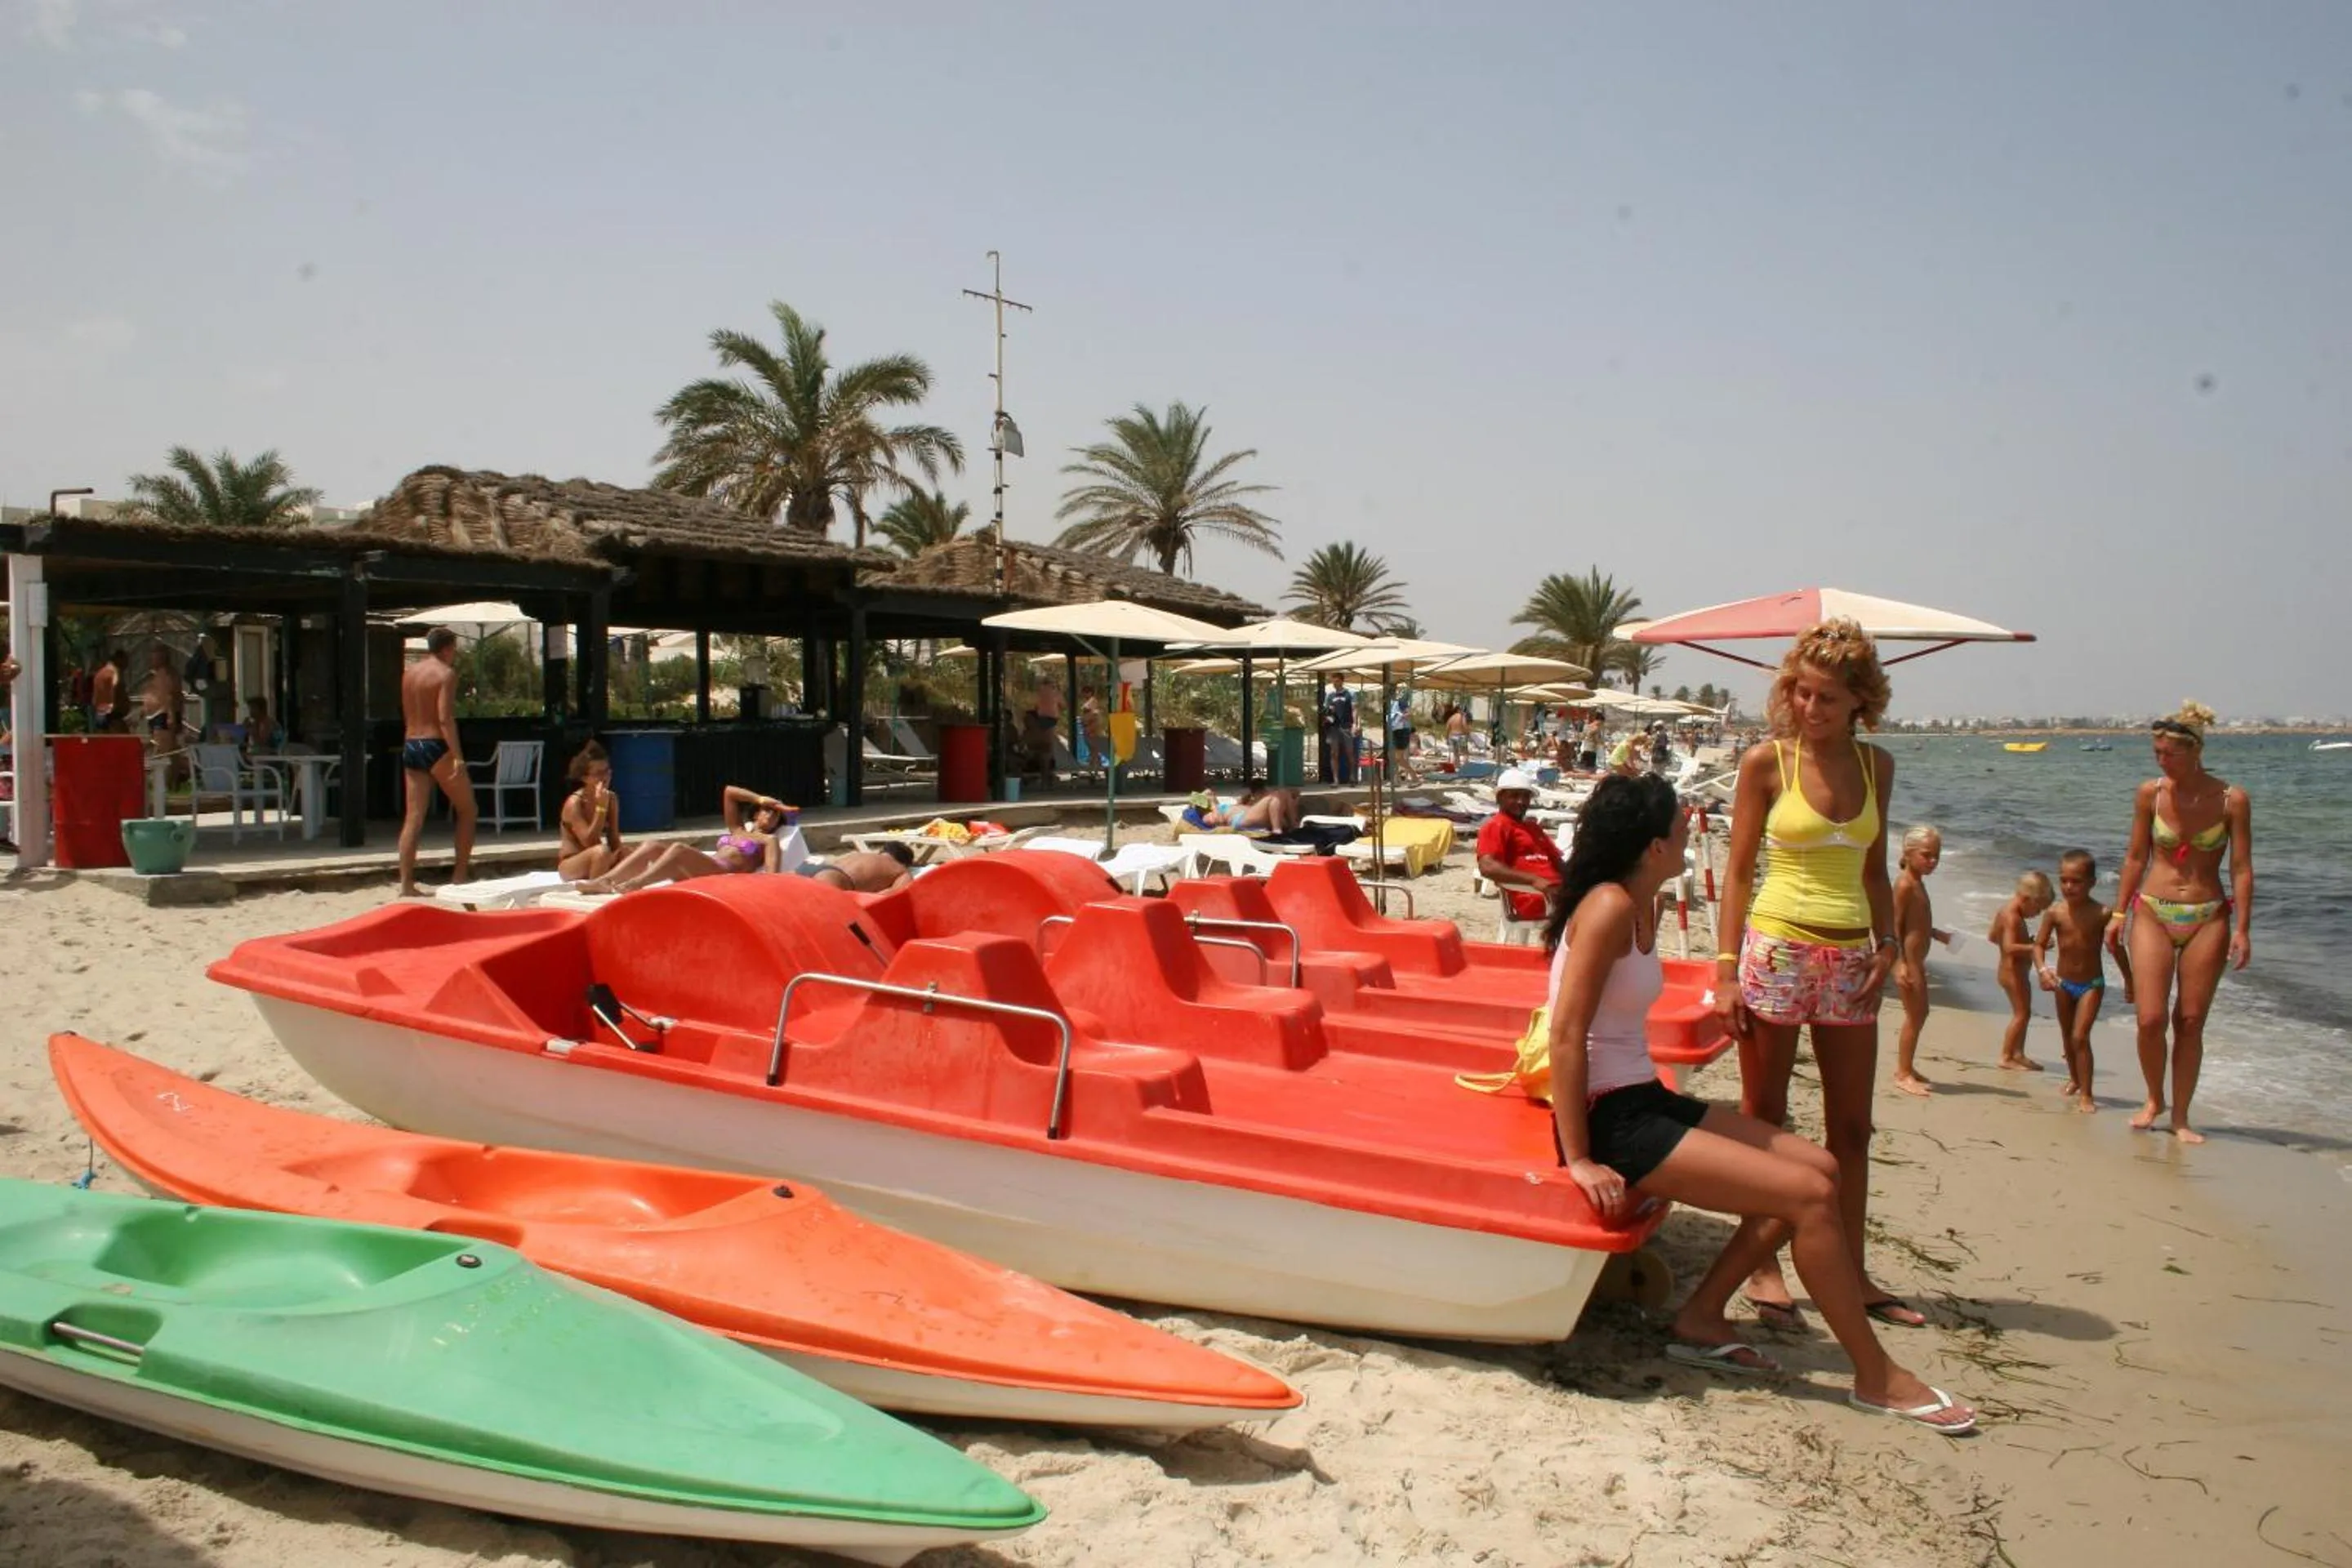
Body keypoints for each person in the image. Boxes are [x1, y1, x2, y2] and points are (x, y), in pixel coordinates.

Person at [1547, 773, 1974, 1431]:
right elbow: (1566, 1033)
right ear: (1655, 846)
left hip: (1640, 1095)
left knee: (1821, 1168)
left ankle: (1701, 1316)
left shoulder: (1640, 903)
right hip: (1610, 1119)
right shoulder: (1607, 906)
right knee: (1807, 1197)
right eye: (1680, 825)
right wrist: (1578, 1157)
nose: (1689, 830)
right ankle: (1875, 1375)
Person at [1714, 618, 1922, 1332]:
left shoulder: (1876, 767)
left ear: (1861, 699)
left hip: (1852, 962)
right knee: (1765, 1119)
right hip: (1776, 953)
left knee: (1853, 1128)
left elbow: (1873, 870)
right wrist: (1725, 972)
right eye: (1802, 693)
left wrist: (1889, 945)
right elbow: (1738, 873)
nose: (1811, 707)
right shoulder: (1766, 762)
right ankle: (1762, 1266)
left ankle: (1851, 1273)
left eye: (1828, 697)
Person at [2108, 702, 2253, 1144]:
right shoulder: (2150, 794)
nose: (2161, 761)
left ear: (2195, 751)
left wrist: (2243, 928)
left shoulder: (2231, 800)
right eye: (2157, 753)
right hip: (2153, 910)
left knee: (2189, 1020)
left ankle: (2182, 1116)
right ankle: (2154, 1099)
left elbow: (2241, 867)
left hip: (2208, 917)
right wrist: (2118, 913)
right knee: (2151, 1018)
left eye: (2169, 753)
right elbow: (2136, 857)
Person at [2037, 849, 2132, 1114]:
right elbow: (2039, 945)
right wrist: (2043, 970)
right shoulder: (2055, 912)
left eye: (2076, 881)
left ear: (2092, 883)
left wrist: (2129, 980)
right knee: (2067, 1036)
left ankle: (2087, 1094)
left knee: (2080, 1036)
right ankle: (2075, 1079)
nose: (2069, 886)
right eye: (2064, 880)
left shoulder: (2102, 913)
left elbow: (2117, 949)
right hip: (2062, 983)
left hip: (2092, 984)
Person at [581, 784, 792, 893]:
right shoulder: (737, 829)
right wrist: (761, 798)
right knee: (652, 845)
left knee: (679, 849)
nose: (771, 815)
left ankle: (637, 883)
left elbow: (771, 878)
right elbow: (729, 792)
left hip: (723, 875)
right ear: (756, 813)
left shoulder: (769, 841)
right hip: (705, 867)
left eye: (776, 815)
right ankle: (604, 881)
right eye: (767, 810)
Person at [396, 626, 476, 898]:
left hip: (412, 742)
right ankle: (459, 877)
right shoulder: (446, 674)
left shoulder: (409, 673)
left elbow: (408, 712)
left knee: (413, 817)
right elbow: (444, 718)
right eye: (455, 649)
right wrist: (458, 756)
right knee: (468, 810)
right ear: (447, 648)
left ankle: (406, 883)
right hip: (436, 744)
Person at [1889, 825, 1945, 1098]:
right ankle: (1902, 1073)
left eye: (1936, 856)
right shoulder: (1905, 885)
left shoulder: (1918, 883)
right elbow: (1894, 924)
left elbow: (1916, 923)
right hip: (1909, 962)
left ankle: (1907, 1067)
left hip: (1917, 961)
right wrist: (1899, 962)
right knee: (1915, 1015)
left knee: (1920, 1013)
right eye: (1926, 855)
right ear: (1908, 853)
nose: (1932, 861)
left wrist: (1936, 934)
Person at [1476, 768, 1565, 924]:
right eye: (1514, 796)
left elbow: (1558, 863)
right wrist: (1534, 880)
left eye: (1526, 796)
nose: (1521, 801)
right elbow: (1487, 867)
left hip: (1557, 894)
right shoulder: (1496, 826)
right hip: (1533, 897)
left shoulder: (1533, 828)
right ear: (1500, 797)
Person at [1989, 871, 2056, 1071]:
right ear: (2027, 899)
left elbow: (1993, 937)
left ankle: (2018, 1053)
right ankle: (2006, 1056)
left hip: (2013, 971)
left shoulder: (2005, 912)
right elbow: (2009, 947)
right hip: (2013, 973)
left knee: (2024, 1013)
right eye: (2038, 908)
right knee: (2021, 1014)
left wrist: (2027, 942)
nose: (2038, 914)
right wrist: (2035, 946)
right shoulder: (2012, 917)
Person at [557, 741, 625, 881]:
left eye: (607, 771)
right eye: (599, 773)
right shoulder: (575, 803)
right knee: (601, 852)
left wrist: (621, 855)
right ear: (585, 778)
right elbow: (589, 842)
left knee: (630, 853)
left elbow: (613, 838)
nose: (605, 777)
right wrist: (601, 808)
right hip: (573, 863)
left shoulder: (611, 798)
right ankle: (595, 889)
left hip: (599, 856)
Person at [800, 842, 915, 893]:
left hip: (807, 869)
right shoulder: (900, 870)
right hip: (835, 879)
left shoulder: (862, 854)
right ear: (906, 863)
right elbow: (894, 895)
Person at [1023, 677, 1063, 789]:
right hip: (1051, 719)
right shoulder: (1055, 692)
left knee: (1044, 752)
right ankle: (1045, 781)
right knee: (1046, 752)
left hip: (1042, 719)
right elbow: (1063, 705)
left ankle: (1045, 780)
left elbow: (1035, 705)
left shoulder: (1039, 693)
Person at [1320, 674, 1356, 785]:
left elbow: (1354, 709)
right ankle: (1336, 779)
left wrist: (1355, 724)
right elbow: (1326, 711)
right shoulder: (1330, 695)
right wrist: (1328, 714)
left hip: (1346, 726)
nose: (1334, 684)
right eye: (1333, 681)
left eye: (1337, 681)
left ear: (1342, 681)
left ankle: (1352, 776)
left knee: (1349, 752)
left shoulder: (1350, 694)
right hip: (1334, 727)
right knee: (1334, 753)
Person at [92, 649, 130, 732]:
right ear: (119, 659)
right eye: (126, 660)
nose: (127, 664)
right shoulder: (114, 673)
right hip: (113, 718)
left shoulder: (104, 672)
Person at [1387, 687, 1415, 777]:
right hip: (1395, 731)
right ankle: (1397, 777)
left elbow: (1409, 713)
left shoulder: (1400, 702)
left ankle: (1413, 775)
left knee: (1398, 757)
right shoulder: (1390, 704)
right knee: (1393, 756)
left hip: (1402, 731)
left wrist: (1399, 717)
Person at [1446, 704, 1472, 770]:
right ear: (1459, 710)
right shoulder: (1462, 717)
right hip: (1461, 736)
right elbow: (1464, 726)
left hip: (1452, 736)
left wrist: (1447, 737)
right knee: (1465, 752)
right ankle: (1466, 767)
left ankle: (1457, 766)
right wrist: (1468, 733)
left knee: (1455, 752)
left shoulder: (1452, 717)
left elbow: (1447, 728)